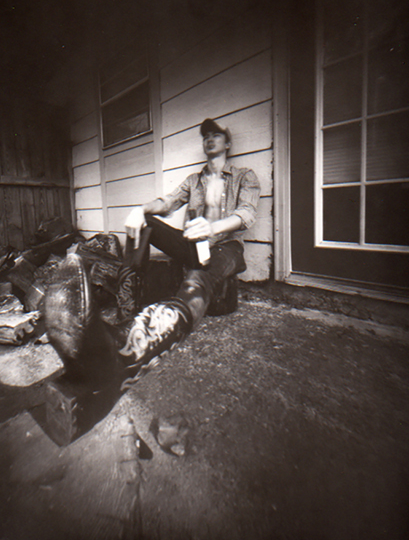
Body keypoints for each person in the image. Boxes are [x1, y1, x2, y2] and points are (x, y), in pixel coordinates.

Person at [44, 118, 261, 390]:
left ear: (227, 142)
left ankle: (139, 346)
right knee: (145, 223)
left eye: (216, 135)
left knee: (199, 280)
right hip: (192, 246)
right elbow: (168, 203)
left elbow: (247, 214)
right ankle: (128, 309)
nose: (209, 139)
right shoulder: (194, 180)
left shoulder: (245, 176)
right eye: (205, 135)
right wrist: (141, 210)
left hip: (225, 247)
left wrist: (212, 226)